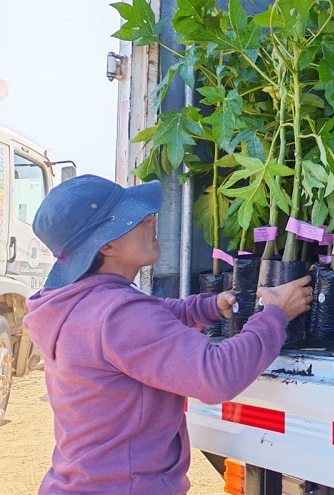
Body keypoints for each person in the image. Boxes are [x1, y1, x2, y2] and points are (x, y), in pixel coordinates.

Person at [23, 174, 312, 494]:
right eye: (133, 218)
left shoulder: (78, 305)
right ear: (106, 245)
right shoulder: (119, 315)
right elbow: (216, 376)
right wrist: (274, 315)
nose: (150, 219)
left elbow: (150, 319)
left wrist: (206, 307)